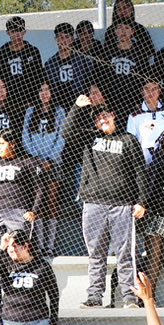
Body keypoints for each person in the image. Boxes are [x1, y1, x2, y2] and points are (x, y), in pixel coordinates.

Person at [63, 95, 149, 307]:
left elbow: (140, 173)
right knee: (96, 253)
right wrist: (77, 107)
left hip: (122, 205)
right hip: (93, 203)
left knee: (126, 253)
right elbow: (67, 133)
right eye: (98, 118)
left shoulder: (128, 140)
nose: (102, 120)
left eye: (106, 116)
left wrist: (141, 202)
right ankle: (94, 297)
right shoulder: (89, 138)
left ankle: (129, 297)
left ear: (114, 116)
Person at [0, 229, 59, 325]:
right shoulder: (6, 265)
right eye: (9, 247)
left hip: (37, 322)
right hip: (10, 322)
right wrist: (1, 247)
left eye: (15, 246)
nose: (11, 249)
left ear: (25, 246)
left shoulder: (42, 266)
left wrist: (54, 324)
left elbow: (54, 296)